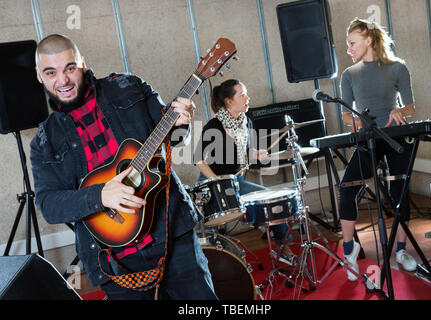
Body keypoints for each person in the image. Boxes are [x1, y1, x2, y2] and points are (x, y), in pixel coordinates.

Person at [30, 34, 217, 300]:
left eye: (70, 68)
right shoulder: (44, 141)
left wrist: (182, 125)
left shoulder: (129, 87)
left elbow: (173, 139)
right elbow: (49, 204)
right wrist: (101, 196)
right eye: (51, 72)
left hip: (171, 235)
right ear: (39, 75)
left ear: (82, 63)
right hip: (113, 260)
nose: (63, 81)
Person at [339, 18, 418, 281]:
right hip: (368, 138)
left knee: (400, 190)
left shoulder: (397, 68)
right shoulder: (348, 75)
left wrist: (399, 110)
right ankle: (349, 250)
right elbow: (345, 116)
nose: (348, 48)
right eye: (347, 44)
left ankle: (401, 250)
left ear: (369, 40)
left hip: (396, 136)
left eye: (352, 43)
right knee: (347, 187)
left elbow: (411, 107)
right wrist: (355, 119)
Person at [195, 79, 295, 264]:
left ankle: (283, 249)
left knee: (270, 200)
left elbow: (244, 153)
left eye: (246, 93)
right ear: (229, 101)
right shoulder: (214, 126)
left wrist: (257, 154)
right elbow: (198, 160)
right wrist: (218, 181)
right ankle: (215, 261)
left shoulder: (246, 122)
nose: (247, 98)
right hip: (211, 182)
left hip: (234, 181)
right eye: (242, 95)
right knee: (212, 225)